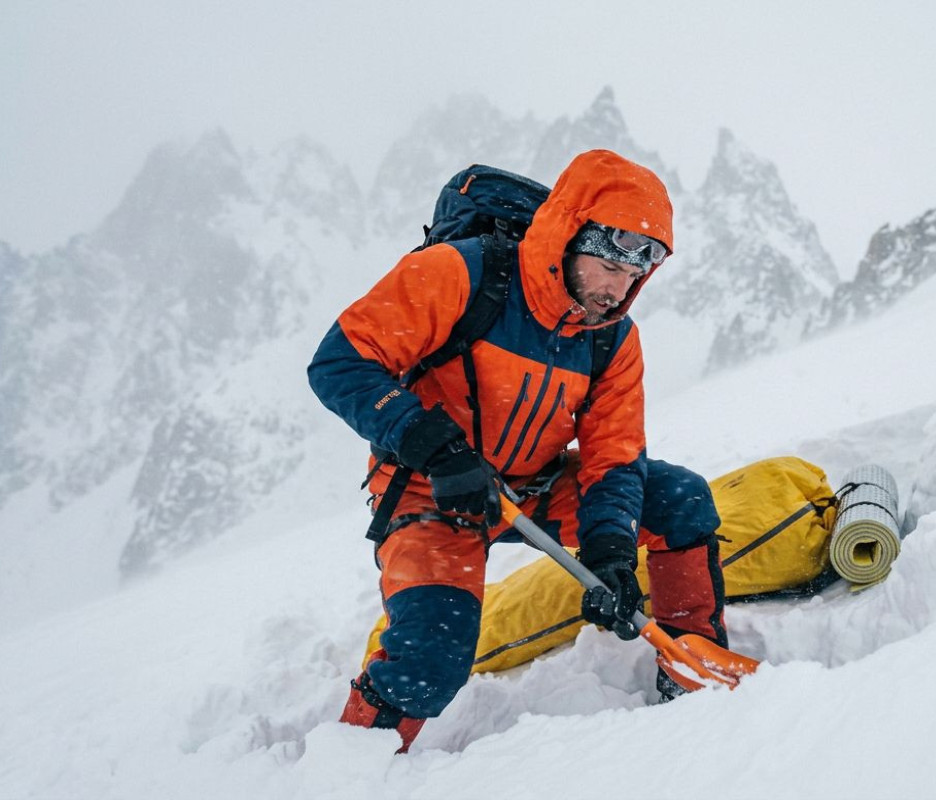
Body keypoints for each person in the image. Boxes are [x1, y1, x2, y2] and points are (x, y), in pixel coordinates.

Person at [307, 149, 728, 752]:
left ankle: (695, 672)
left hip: (534, 490)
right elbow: (340, 362)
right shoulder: (460, 274)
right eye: (607, 264)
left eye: (637, 272)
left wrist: (610, 548)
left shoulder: (611, 338)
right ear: (568, 231)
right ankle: (352, 766)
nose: (619, 287)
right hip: (434, 492)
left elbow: (615, 455)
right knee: (431, 657)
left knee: (678, 499)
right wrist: (440, 452)